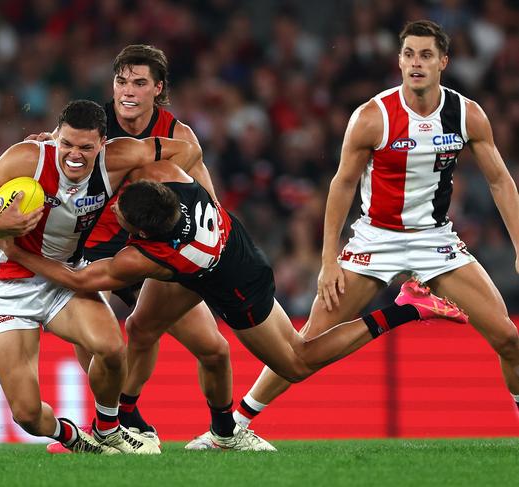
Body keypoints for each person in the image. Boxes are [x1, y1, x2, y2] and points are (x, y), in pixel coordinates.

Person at [0, 161, 468, 448]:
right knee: (138, 330)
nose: (113, 210)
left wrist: (18, 252)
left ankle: (406, 307)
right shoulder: (171, 181)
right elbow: (166, 159)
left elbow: (81, 277)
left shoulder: (157, 255)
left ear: (138, 237)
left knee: (297, 362)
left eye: (119, 216)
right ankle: (124, 423)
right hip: (217, 247)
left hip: (237, 283)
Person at [212, 19, 519, 437]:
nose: (416, 63)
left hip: (436, 240)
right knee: (304, 347)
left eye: (426, 55)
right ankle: (234, 427)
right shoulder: (372, 117)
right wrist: (327, 260)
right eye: (409, 54)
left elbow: (500, 180)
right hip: (376, 239)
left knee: (508, 339)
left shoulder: (467, 115)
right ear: (399, 60)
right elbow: (341, 184)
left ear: (444, 62)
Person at [0, 99, 208, 454]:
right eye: (66, 144)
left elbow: (187, 149)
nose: (74, 155)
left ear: (103, 144)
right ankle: (73, 439)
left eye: (85, 147)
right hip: (8, 285)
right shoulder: (30, 158)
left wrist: (138, 183)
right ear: (56, 138)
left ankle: (108, 430)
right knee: (27, 414)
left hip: (63, 277)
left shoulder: (119, 158)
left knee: (111, 349)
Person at [32, 45, 271, 452]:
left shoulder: (179, 136)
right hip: (96, 248)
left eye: (139, 83)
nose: (127, 91)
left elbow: (206, 199)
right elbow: (55, 159)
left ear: (157, 89)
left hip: (152, 252)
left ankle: (225, 434)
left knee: (213, 349)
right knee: (95, 345)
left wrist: (203, 257)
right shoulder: (94, 124)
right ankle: (117, 424)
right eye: (121, 81)